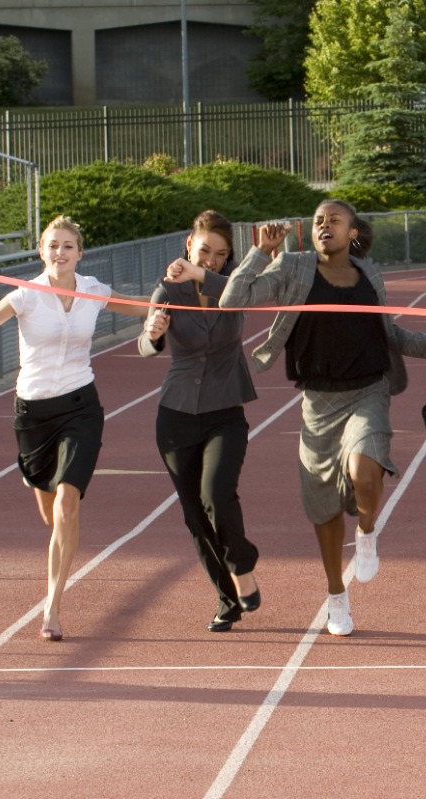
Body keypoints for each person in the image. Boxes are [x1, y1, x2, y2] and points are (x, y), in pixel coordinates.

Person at [173, 200, 426, 637]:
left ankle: (366, 531)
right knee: (323, 511)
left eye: (335, 220)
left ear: (351, 232)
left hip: (368, 392)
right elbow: (233, 301)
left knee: (366, 471)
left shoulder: (370, 275)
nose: (325, 225)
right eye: (319, 220)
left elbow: (390, 334)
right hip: (318, 402)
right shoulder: (292, 267)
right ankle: (336, 597)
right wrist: (260, 253)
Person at [0, 215, 151, 641]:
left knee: (67, 505)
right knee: (51, 517)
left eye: (68, 246)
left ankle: (52, 608)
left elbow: (144, 304)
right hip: (33, 415)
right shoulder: (25, 296)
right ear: (41, 251)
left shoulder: (94, 291)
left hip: (80, 407)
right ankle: (62, 552)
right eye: (52, 245)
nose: (60, 253)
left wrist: (192, 295)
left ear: (80, 253)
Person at [139, 210, 262, 633]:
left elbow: (246, 293)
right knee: (195, 515)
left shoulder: (233, 286)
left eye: (220, 254)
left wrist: (199, 273)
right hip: (175, 417)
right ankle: (227, 598)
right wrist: (153, 332)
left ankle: (242, 568)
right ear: (189, 243)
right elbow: (144, 344)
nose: (210, 259)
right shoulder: (166, 290)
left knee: (217, 493)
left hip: (226, 411)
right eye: (203, 250)